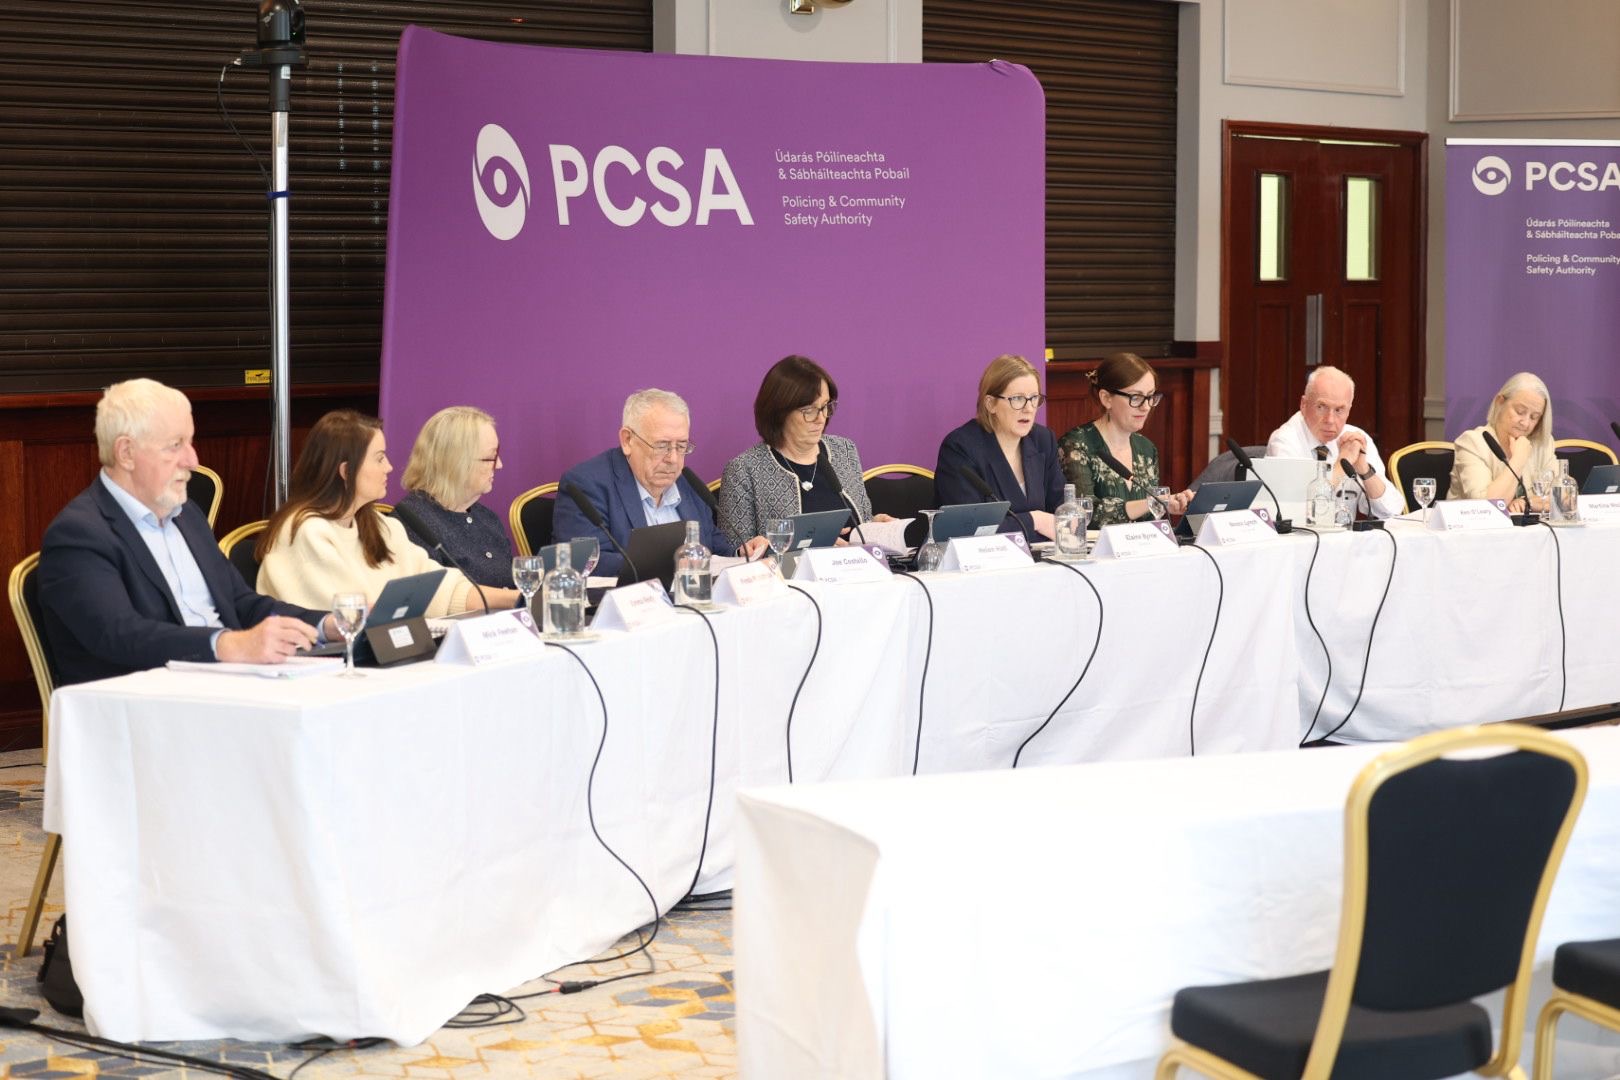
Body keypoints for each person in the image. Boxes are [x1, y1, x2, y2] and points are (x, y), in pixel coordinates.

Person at [37, 378, 333, 685]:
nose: (192, 461)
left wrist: (326, 624)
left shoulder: (187, 515)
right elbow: (119, 634)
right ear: (126, 453)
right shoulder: (79, 534)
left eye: (190, 443)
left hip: (230, 683)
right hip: (147, 702)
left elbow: (242, 603)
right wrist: (228, 645)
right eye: (175, 445)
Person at [256, 410, 521, 616]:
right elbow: (351, 617)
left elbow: (442, 588)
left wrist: (520, 599)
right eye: (380, 458)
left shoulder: (381, 526)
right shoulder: (305, 532)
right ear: (347, 472)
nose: (391, 468)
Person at [551, 389, 765, 579]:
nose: (673, 458)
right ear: (627, 440)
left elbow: (712, 545)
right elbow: (587, 562)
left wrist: (740, 553)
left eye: (681, 446)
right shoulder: (586, 485)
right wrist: (671, 564)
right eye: (662, 446)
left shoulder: (688, 484)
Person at [718, 355, 885, 544]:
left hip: (853, 569)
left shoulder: (845, 451)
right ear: (779, 412)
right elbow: (736, 554)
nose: (821, 418)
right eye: (809, 410)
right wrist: (816, 546)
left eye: (825, 406)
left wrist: (873, 526)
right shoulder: (743, 470)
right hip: (789, 573)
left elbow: (861, 519)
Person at [934, 354, 1065, 539]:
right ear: (990, 404)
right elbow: (967, 528)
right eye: (1017, 399)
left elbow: (1062, 511)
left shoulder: (1043, 440)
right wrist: (1035, 520)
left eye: (1034, 398)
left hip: (1040, 558)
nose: (1029, 408)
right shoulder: (961, 447)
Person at [1058, 352, 1193, 526]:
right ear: (1106, 398)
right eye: (1136, 398)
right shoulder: (1077, 445)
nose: (1146, 407)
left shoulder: (1146, 448)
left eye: (1150, 396)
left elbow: (1150, 519)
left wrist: (1169, 505)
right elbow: (1083, 514)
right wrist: (1153, 502)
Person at [393, 406, 514, 589]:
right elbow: (435, 599)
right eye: (491, 457)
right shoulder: (412, 522)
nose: (499, 465)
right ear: (455, 462)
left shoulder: (488, 518)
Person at [1265, 365, 1403, 519]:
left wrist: (1364, 470)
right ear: (1304, 405)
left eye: (1339, 410)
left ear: (1349, 410)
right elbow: (1299, 512)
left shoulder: (1355, 439)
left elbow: (1392, 510)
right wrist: (1343, 462)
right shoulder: (1284, 441)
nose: (1330, 420)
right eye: (1321, 407)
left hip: (1345, 540)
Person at [1451, 371, 1556, 512]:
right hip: (1471, 531)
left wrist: (1527, 502)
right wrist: (1518, 460)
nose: (1525, 423)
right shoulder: (1472, 443)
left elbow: (1563, 500)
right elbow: (1487, 508)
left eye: (1534, 417)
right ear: (1500, 402)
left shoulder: (1542, 444)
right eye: (1520, 411)